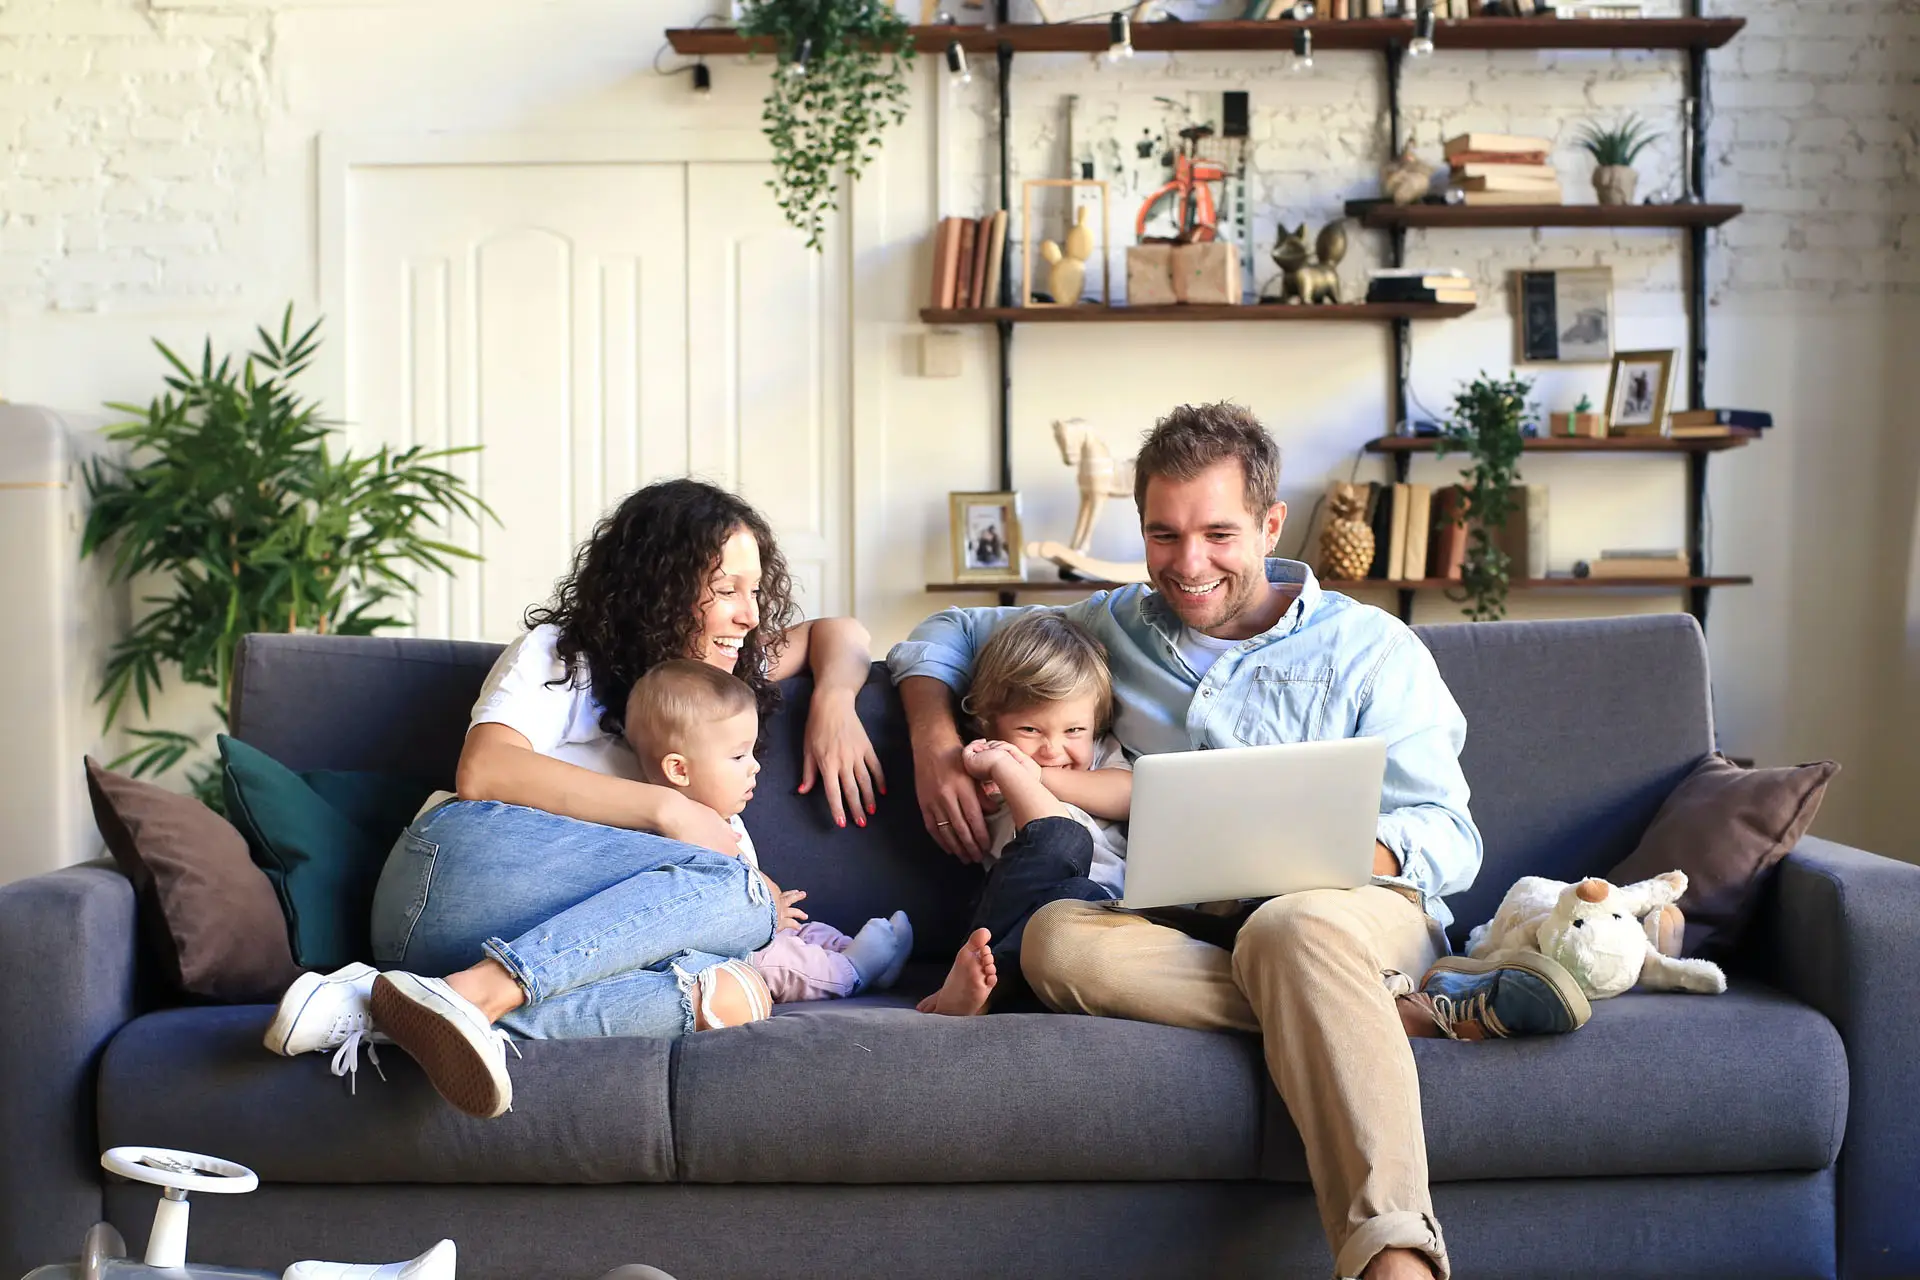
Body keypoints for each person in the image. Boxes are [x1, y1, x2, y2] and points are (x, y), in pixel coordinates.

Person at [887, 403, 1589, 1280]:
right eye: (1163, 534)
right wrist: (933, 742)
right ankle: (1390, 1008)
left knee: (1291, 928)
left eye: (1218, 533)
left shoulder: (1373, 649)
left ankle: (1394, 1260)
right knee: (1060, 942)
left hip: (1347, 913)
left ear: (1268, 524)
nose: (1188, 565)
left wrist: (1317, 857)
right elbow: (947, 634)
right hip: (1175, 923)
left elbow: (1449, 837)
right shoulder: (1110, 626)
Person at [263, 478, 887, 1121]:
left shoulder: (718, 675)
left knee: (735, 992)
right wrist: (671, 812)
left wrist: (836, 704)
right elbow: (485, 769)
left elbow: (838, 633)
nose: (751, 615)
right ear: (660, 588)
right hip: (452, 881)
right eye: (726, 590)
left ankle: (387, 1008)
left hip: (514, 948)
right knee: (743, 891)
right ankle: (477, 994)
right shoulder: (564, 656)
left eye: (754, 591)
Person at [624, 659, 915, 1003]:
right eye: (737, 757)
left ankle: (870, 959)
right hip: (725, 951)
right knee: (779, 962)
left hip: (758, 927)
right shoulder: (671, 834)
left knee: (807, 932)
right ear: (678, 769)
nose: (755, 766)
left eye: (752, 752)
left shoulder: (723, 817)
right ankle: (853, 972)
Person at [916, 611, 1132, 1016]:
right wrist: (1007, 769)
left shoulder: (1099, 755)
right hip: (1018, 913)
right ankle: (973, 992)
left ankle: (986, 999)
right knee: (1063, 853)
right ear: (988, 722)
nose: (1053, 749)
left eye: (1074, 731)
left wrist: (1035, 772)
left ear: (1096, 725)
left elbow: (1130, 794)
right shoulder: (986, 764)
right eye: (1031, 731)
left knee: (1083, 895)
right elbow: (1053, 833)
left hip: (1100, 917)